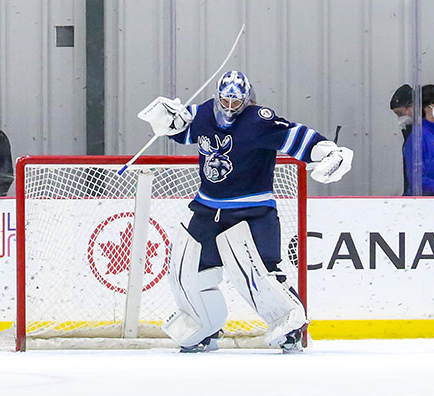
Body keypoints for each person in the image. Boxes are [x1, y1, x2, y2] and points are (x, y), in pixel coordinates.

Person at [138, 70, 353, 353]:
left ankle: (289, 325)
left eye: (235, 101)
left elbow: (296, 137)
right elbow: (182, 129)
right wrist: (166, 118)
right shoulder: (204, 113)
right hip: (207, 209)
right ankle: (204, 325)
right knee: (189, 270)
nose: (229, 107)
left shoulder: (259, 120)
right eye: (225, 100)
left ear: (246, 99)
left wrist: (328, 152)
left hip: (252, 211)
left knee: (260, 273)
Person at [390, 84, 413, 195]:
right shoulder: (408, 133)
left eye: (400, 113)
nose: (400, 119)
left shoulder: (419, 135)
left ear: (411, 107)